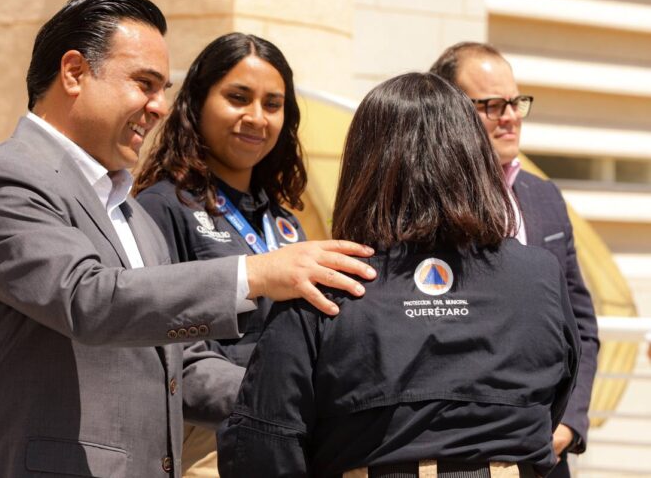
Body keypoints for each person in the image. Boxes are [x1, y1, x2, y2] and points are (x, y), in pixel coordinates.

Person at [0, 0, 376, 478]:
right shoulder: (4, 180)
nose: (160, 107)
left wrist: (308, 398)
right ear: (74, 73)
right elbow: (88, 300)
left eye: (163, 89)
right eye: (145, 84)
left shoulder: (130, 214)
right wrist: (254, 273)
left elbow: (182, 368)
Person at [217, 73, 580, 478]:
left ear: (364, 165)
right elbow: (553, 399)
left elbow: (266, 444)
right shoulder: (540, 277)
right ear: (475, 159)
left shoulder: (326, 283)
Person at [134, 32, 307, 475]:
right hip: (208, 439)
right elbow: (169, 349)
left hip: (291, 430)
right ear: (197, 102)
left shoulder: (284, 222)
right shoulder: (162, 206)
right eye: (237, 97)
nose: (256, 117)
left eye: (272, 104)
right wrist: (271, 396)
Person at [430, 42, 599, 477]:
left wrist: (569, 421)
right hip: (463, 454)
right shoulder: (424, 206)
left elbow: (580, 323)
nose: (510, 116)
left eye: (515, 101)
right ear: (449, 110)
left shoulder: (545, 197)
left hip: (545, 451)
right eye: (490, 104)